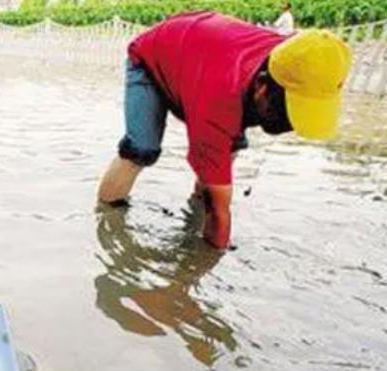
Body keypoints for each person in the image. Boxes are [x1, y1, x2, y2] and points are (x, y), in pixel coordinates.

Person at [97, 12, 351, 249]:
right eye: (287, 115)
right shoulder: (219, 101)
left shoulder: (302, 59)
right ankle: (105, 219)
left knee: (223, 157)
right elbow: (219, 213)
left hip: (209, 54)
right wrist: (206, 261)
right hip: (154, 55)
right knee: (142, 149)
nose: (289, 128)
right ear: (261, 87)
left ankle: (193, 216)